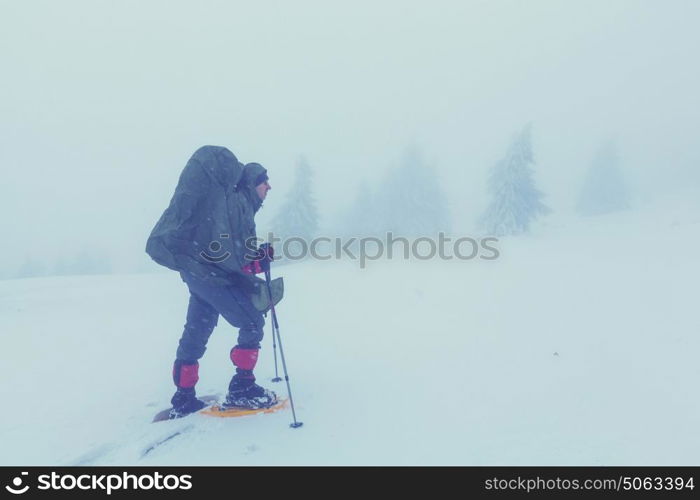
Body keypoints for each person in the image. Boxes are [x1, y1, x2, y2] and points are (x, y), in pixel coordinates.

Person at [145, 145, 276, 418]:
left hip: (197, 272)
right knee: (252, 322)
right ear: (254, 183)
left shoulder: (235, 204)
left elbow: (228, 247)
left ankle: (183, 397)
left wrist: (255, 257)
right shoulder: (239, 203)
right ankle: (242, 388)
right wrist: (257, 260)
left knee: (197, 330)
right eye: (265, 182)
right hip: (212, 276)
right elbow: (233, 254)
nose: (269, 187)